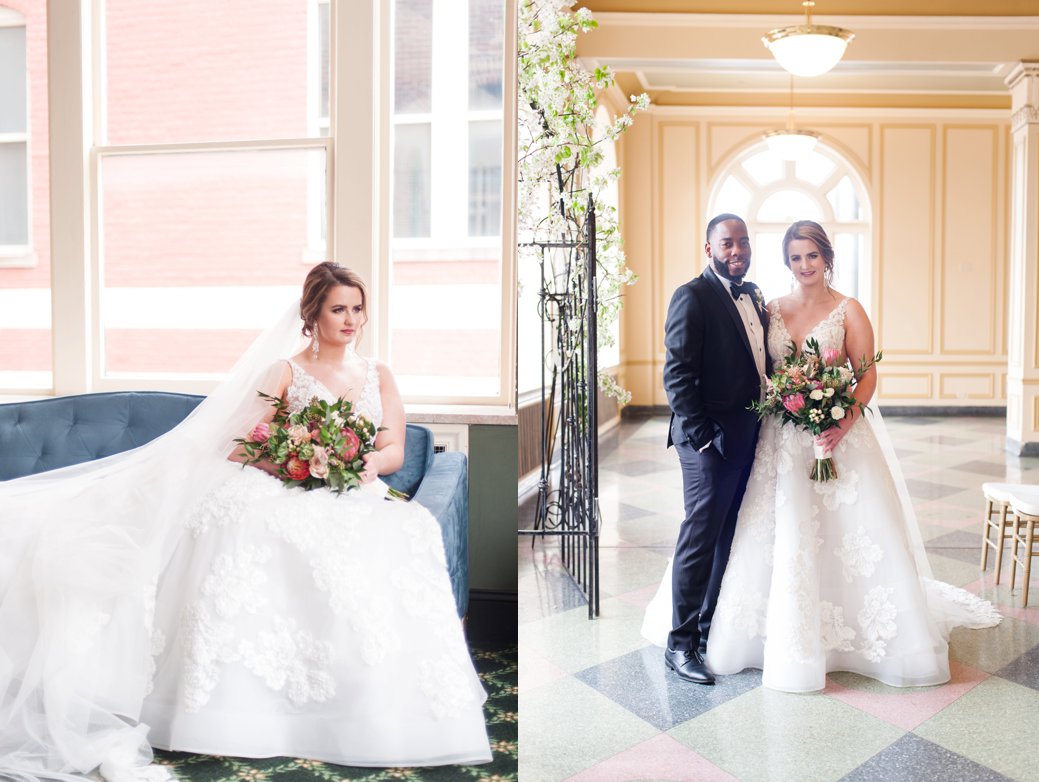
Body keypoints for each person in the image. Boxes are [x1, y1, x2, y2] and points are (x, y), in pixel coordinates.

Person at [0, 262, 492, 781]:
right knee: (259, 526)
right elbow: (242, 444)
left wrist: (369, 462)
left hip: (354, 485)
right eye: (338, 309)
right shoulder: (285, 372)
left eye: (357, 308)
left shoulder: (379, 374)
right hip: (285, 481)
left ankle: (378, 694)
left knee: (406, 531)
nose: (351, 320)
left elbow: (393, 445)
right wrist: (300, 462)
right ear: (313, 314)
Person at [643, 221, 1000, 692]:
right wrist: (708, 433)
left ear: (827, 258)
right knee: (738, 531)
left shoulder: (847, 309)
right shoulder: (767, 306)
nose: (804, 265)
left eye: (811, 255)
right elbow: (701, 371)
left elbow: (866, 375)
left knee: (824, 537)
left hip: (833, 436)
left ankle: (784, 629)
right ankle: (689, 638)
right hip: (768, 440)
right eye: (795, 257)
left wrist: (841, 420)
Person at [659, 213, 770, 686]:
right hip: (707, 442)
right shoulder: (692, 296)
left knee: (727, 534)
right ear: (710, 249)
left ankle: (705, 631)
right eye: (727, 243)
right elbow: (677, 375)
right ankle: (679, 645)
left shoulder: (755, 295)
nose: (737, 250)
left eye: (743, 242)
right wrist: (703, 436)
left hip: (748, 435)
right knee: (700, 536)